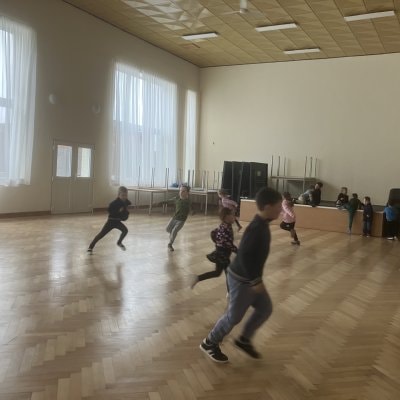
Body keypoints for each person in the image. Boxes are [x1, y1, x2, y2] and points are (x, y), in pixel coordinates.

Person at [199, 186, 282, 363]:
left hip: (251, 279)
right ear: (268, 207)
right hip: (241, 280)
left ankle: (244, 340)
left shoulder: (262, 225)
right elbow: (244, 257)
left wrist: (255, 280)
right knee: (234, 317)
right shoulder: (256, 228)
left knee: (265, 308)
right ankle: (209, 342)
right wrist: (255, 281)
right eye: (278, 206)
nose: (281, 210)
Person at [191, 207, 237, 289]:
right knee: (229, 274)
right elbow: (229, 245)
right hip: (223, 254)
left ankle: (198, 278)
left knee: (217, 273)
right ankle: (231, 293)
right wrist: (239, 252)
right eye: (232, 215)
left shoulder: (224, 225)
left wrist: (217, 243)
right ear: (227, 217)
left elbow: (213, 233)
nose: (234, 217)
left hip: (221, 253)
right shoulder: (226, 229)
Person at [87, 186, 131, 253]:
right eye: (123, 195)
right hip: (110, 222)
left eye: (126, 195)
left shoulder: (126, 203)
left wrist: (125, 214)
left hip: (117, 222)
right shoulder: (113, 203)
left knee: (125, 230)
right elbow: (110, 211)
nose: (124, 197)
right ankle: (90, 247)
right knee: (101, 234)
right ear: (118, 195)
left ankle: (119, 242)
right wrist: (118, 211)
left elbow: (125, 214)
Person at [165, 185, 191, 252]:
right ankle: (172, 235)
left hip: (181, 220)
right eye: (180, 191)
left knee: (174, 231)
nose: (181, 192)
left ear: (187, 193)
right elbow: (168, 201)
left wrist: (192, 212)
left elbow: (191, 209)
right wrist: (160, 203)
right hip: (174, 217)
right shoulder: (176, 198)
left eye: (183, 191)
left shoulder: (188, 202)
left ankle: (170, 244)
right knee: (167, 229)